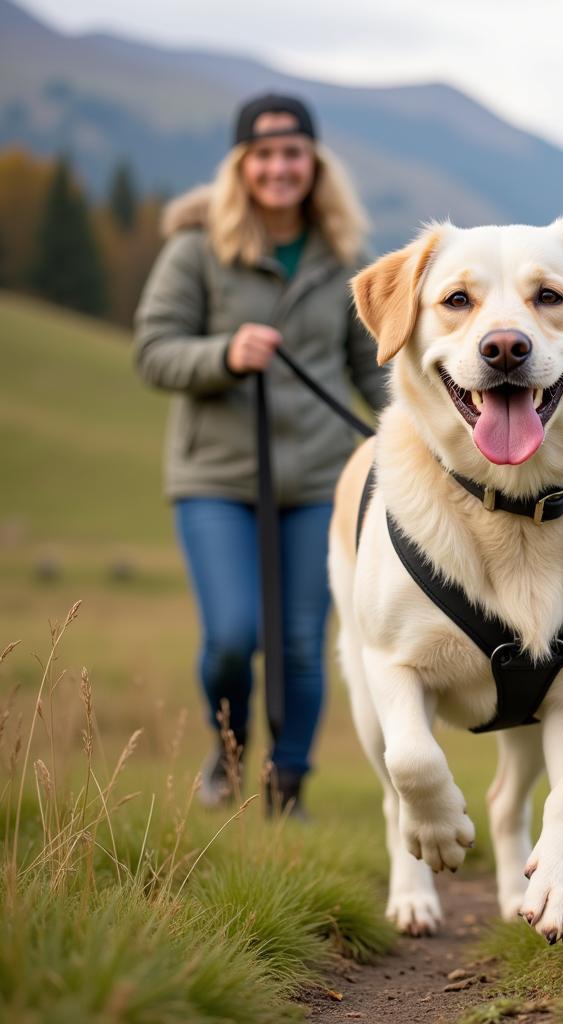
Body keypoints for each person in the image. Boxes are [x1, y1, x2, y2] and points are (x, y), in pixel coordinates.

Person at [135, 93, 388, 816]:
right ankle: (230, 749)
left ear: (315, 164)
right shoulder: (195, 251)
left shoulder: (343, 260)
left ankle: (288, 786)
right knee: (232, 637)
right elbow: (152, 351)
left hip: (315, 479)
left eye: (294, 155)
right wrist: (224, 353)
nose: (281, 168)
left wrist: (415, 431)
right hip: (215, 477)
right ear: (243, 166)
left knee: (303, 644)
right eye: (266, 156)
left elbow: (375, 370)